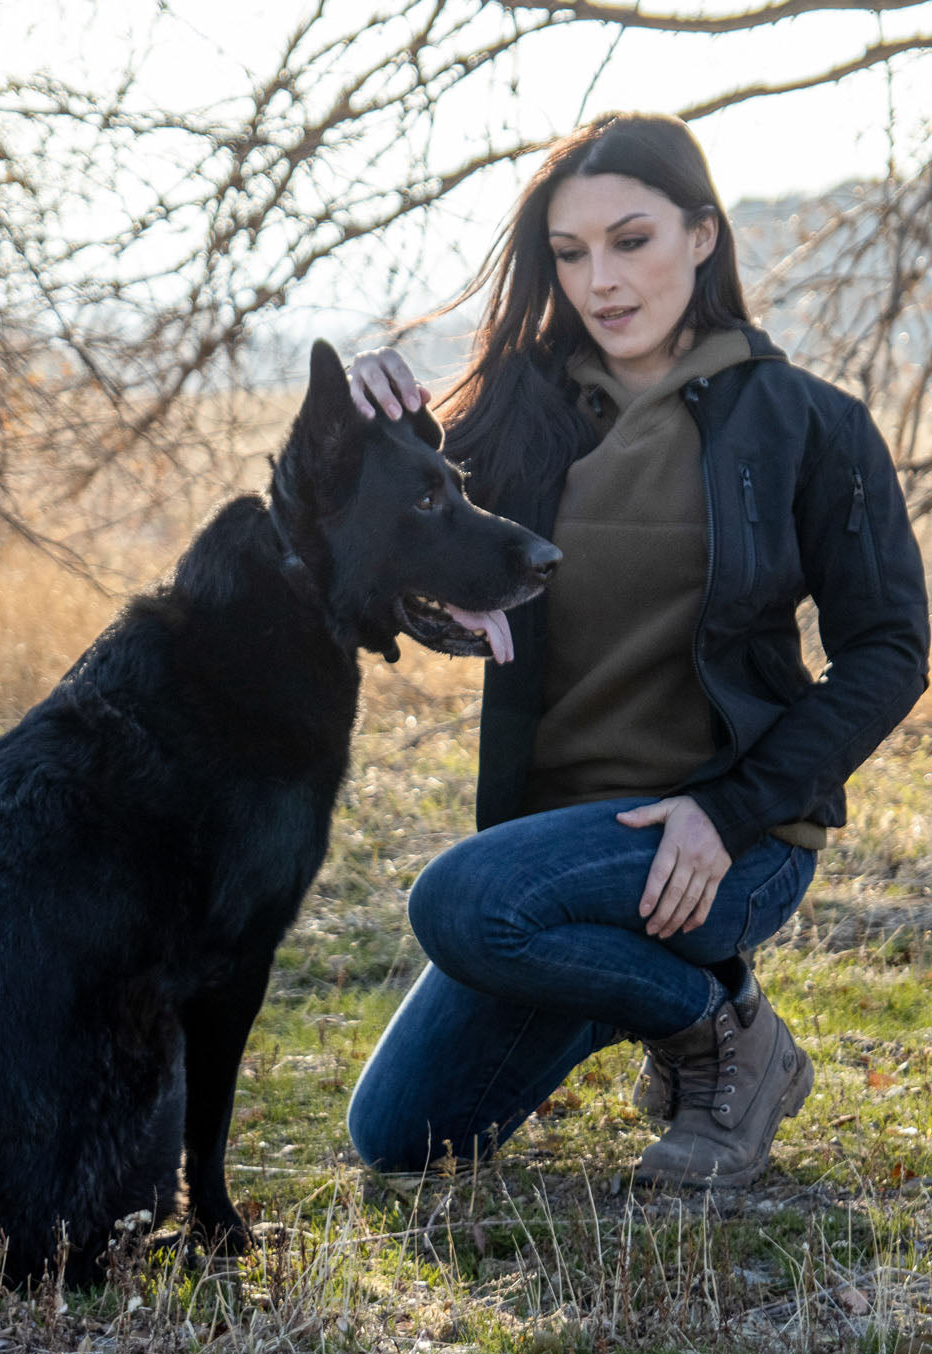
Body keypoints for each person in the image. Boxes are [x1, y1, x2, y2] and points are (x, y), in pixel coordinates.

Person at [344, 111, 930, 1188]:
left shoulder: (811, 425)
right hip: (555, 852)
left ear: (702, 236)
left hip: (729, 837)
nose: (600, 280)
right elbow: (393, 553)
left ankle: (723, 1042)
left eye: (632, 240)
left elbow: (891, 651)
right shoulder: (520, 414)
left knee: (456, 904)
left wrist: (731, 809)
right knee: (400, 1137)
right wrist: (365, 416)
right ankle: (695, 1006)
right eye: (570, 254)